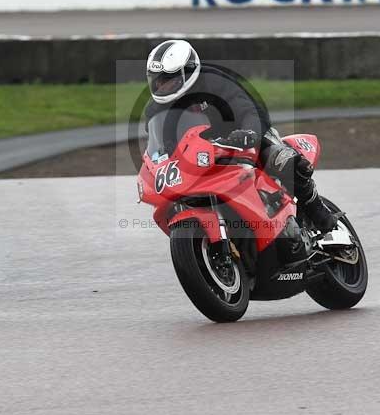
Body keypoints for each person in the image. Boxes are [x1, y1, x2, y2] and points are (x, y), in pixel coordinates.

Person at [144, 39, 339, 259]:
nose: (162, 87)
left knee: (285, 162)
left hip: (245, 136)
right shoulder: (155, 109)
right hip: (202, 154)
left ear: (187, 72)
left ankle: (326, 224)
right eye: (157, 81)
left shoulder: (214, 82)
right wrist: (155, 164)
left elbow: (246, 109)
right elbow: (159, 143)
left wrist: (249, 134)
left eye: (168, 80)